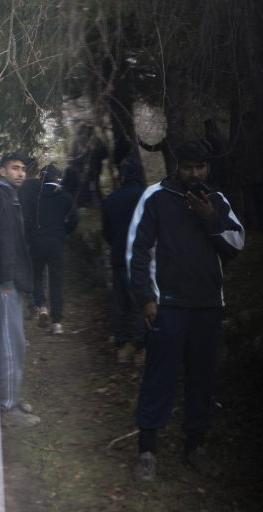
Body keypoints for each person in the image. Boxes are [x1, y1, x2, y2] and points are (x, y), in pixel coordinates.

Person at [127, 140, 244, 481]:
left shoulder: (218, 200)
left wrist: (210, 217)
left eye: (201, 167)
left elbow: (236, 244)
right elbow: (137, 251)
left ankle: (196, 445)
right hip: (169, 306)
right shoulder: (156, 197)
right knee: (159, 377)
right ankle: (147, 450)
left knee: (201, 379)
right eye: (189, 167)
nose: (195, 173)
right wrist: (147, 298)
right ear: (177, 166)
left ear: (208, 167)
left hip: (208, 306)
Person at [0, 152, 41, 427]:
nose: (21, 173)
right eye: (15, 168)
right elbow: (3, 241)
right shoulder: (0, 197)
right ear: (2, 172)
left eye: (23, 169)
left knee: (16, 343)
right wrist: (8, 281)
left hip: (12, 281)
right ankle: (8, 407)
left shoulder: (9, 196)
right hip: (6, 283)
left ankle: (12, 399)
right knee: (11, 343)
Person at [20, 163, 78, 335]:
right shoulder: (65, 196)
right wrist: (63, 232)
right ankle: (57, 322)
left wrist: (30, 236)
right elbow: (74, 220)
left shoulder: (35, 197)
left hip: (37, 242)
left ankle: (41, 307)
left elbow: (27, 220)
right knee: (56, 281)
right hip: (56, 243)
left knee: (37, 276)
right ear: (56, 178)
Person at [101, 156, 147, 363]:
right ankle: (141, 349)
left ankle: (122, 348)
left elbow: (107, 232)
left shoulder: (111, 199)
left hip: (118, 256)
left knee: (120, 304)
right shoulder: (146, 197)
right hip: (139, 258)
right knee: (140, 302)